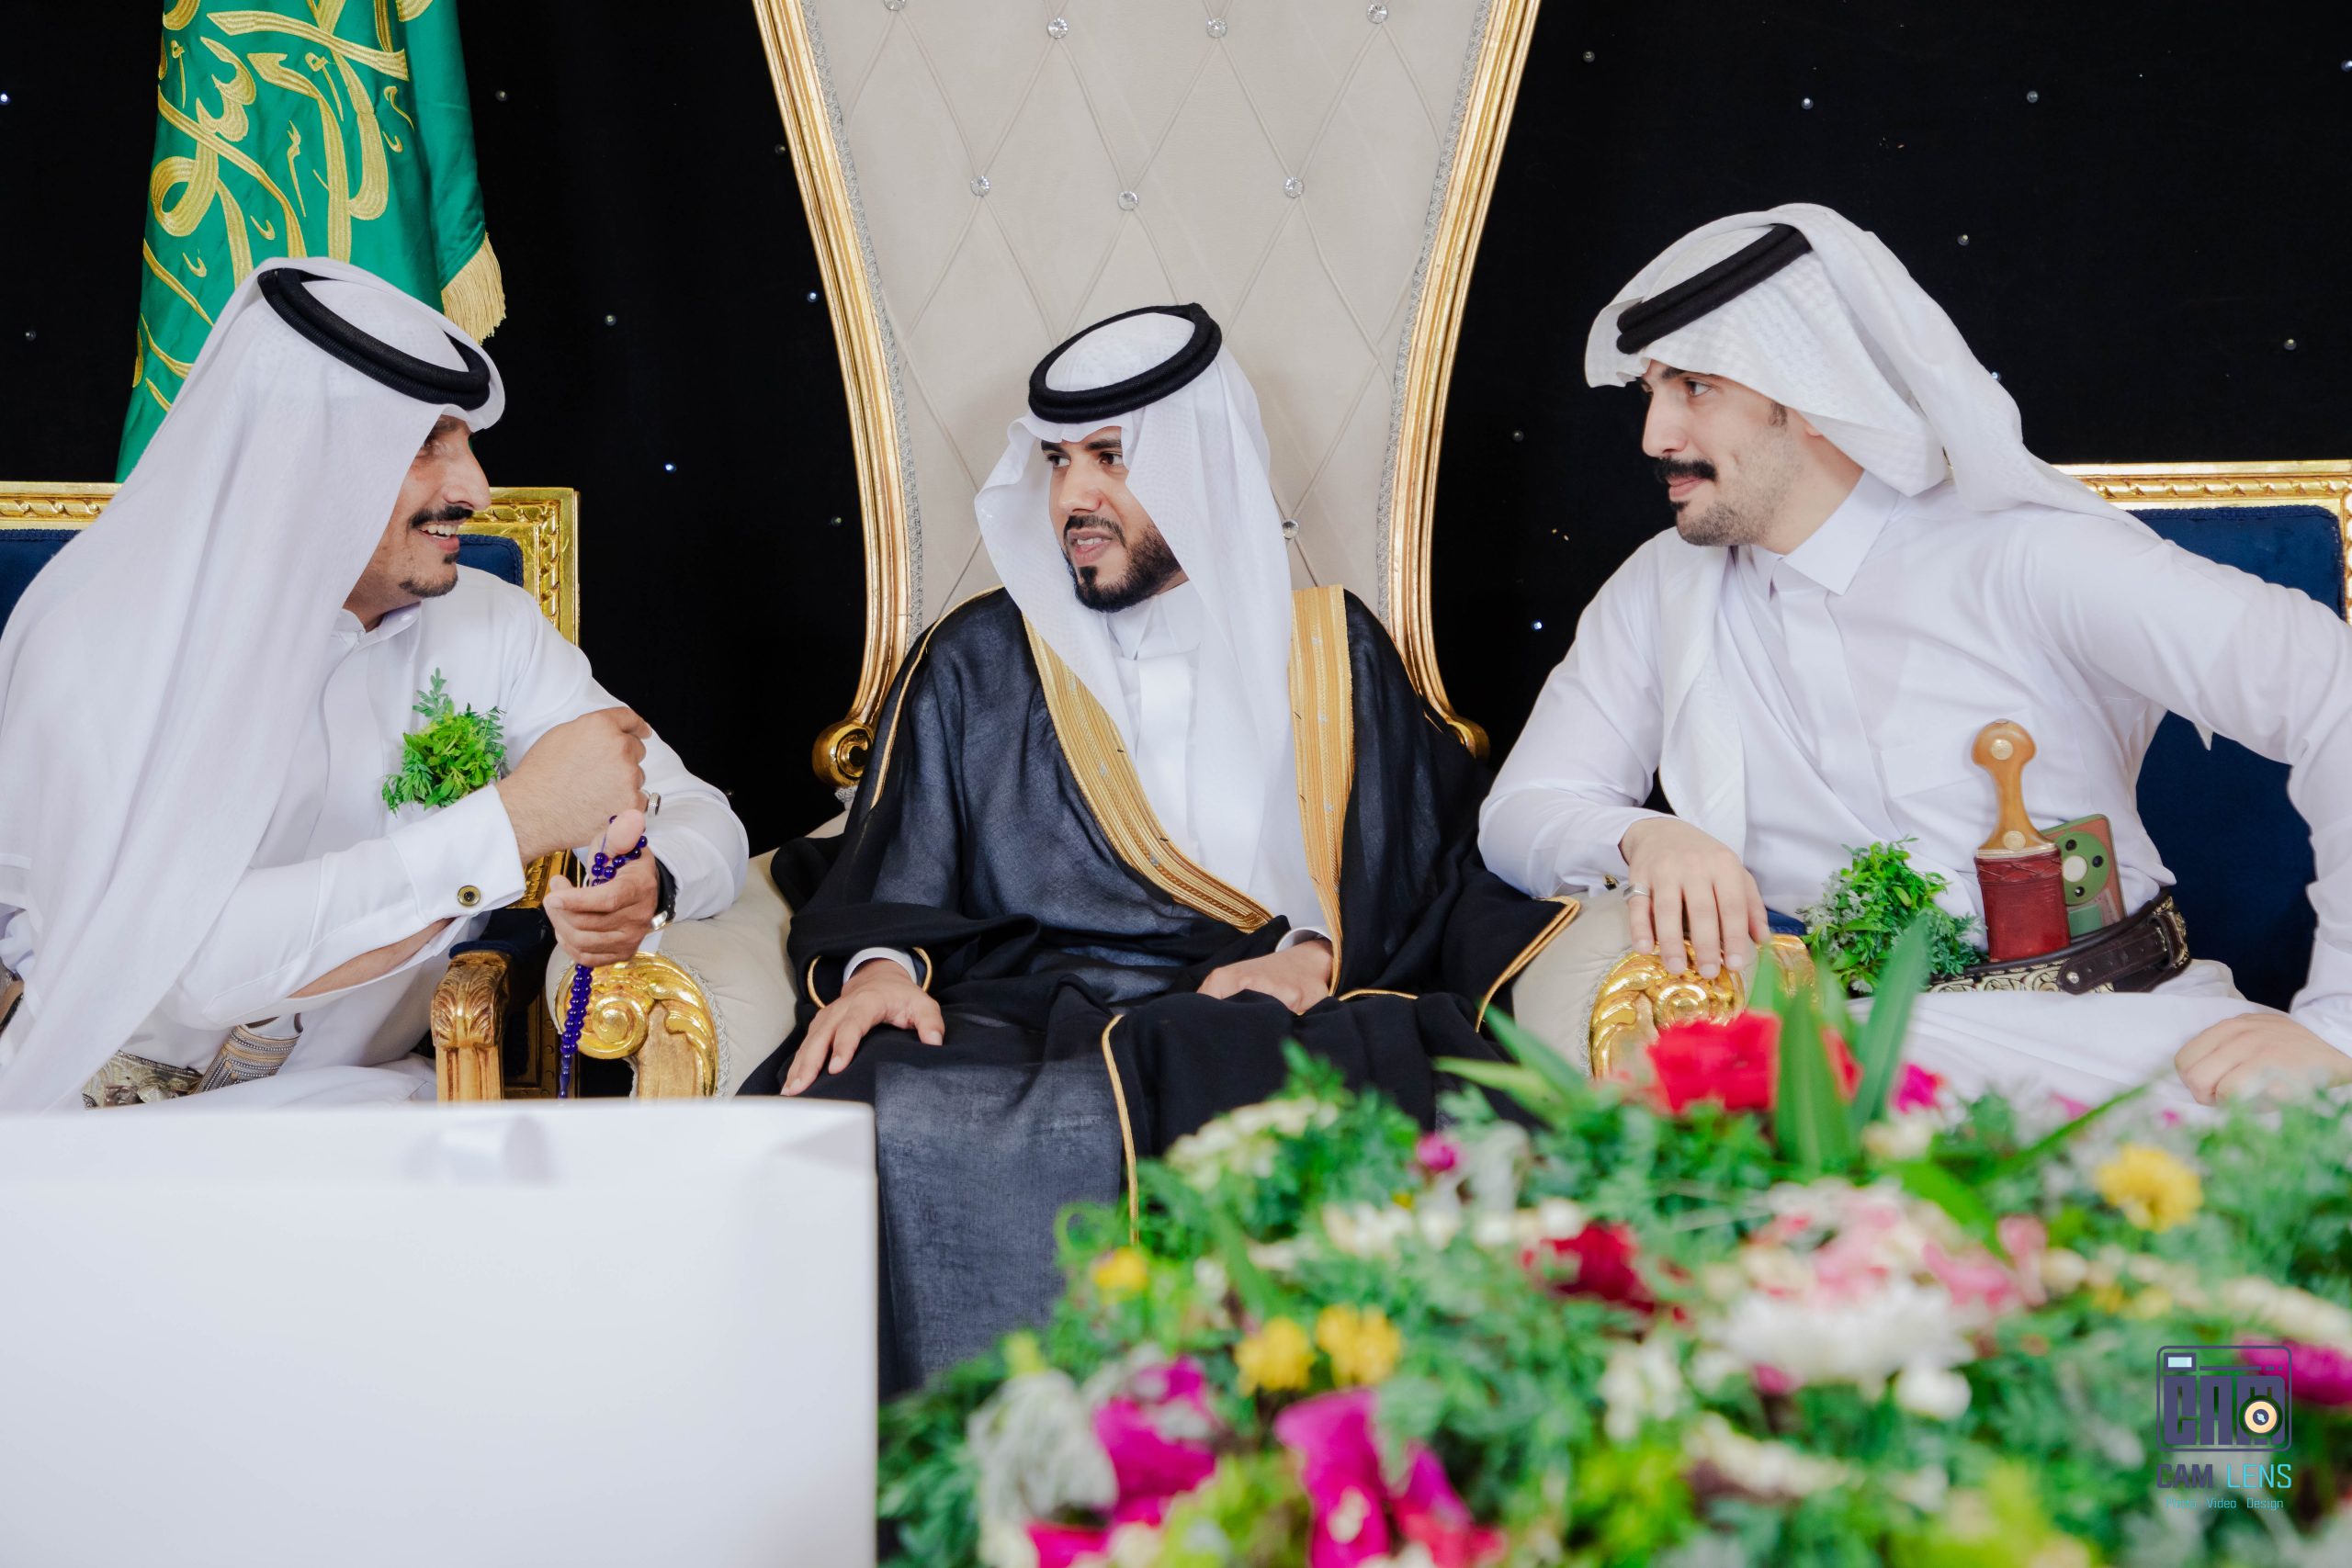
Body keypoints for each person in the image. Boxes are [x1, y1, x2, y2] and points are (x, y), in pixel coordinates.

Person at [741, 304, 1566, 1390]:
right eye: (1056, 462)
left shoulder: (1330, 648)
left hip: (1275, 1006)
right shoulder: (981, 655)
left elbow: (1424, 864)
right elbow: (896, 865)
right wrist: (881, 974)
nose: (1072, 498)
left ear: (1198, 465)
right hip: (1032, 1004)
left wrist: (1315, 954)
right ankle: (962, 1468)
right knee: (859, 1090)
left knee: (1408, 1087)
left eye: (1110, 458)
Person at [1479, 203, 2352, 1108]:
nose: (1655, 437)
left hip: (2120, 1038)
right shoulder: (1658, 589)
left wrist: (2337, 1028)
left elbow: (2334, 691)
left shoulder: (2024, 555)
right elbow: (1520, 812)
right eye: (1651, 392)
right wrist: (1645, 835)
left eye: (1695, 388)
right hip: (1845, 1075)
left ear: (1812, 397)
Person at [0, 258, 747, 1111]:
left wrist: (653, 884)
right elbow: (184, 964)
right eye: (426, 445)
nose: (476, 490)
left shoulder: (490, 623)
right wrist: (511, 824)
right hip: (87, 1123)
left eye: (466, 444)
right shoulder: (103, 641)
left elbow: (701, 816)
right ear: (306, 459)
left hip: (364, 1112)